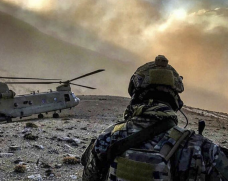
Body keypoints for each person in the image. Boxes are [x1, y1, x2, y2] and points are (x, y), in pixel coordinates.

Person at [81, 55, 228, 181]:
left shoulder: (108, 137)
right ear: (176, 101)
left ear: (135, 95)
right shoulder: (202, 149)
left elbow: (89, 176)